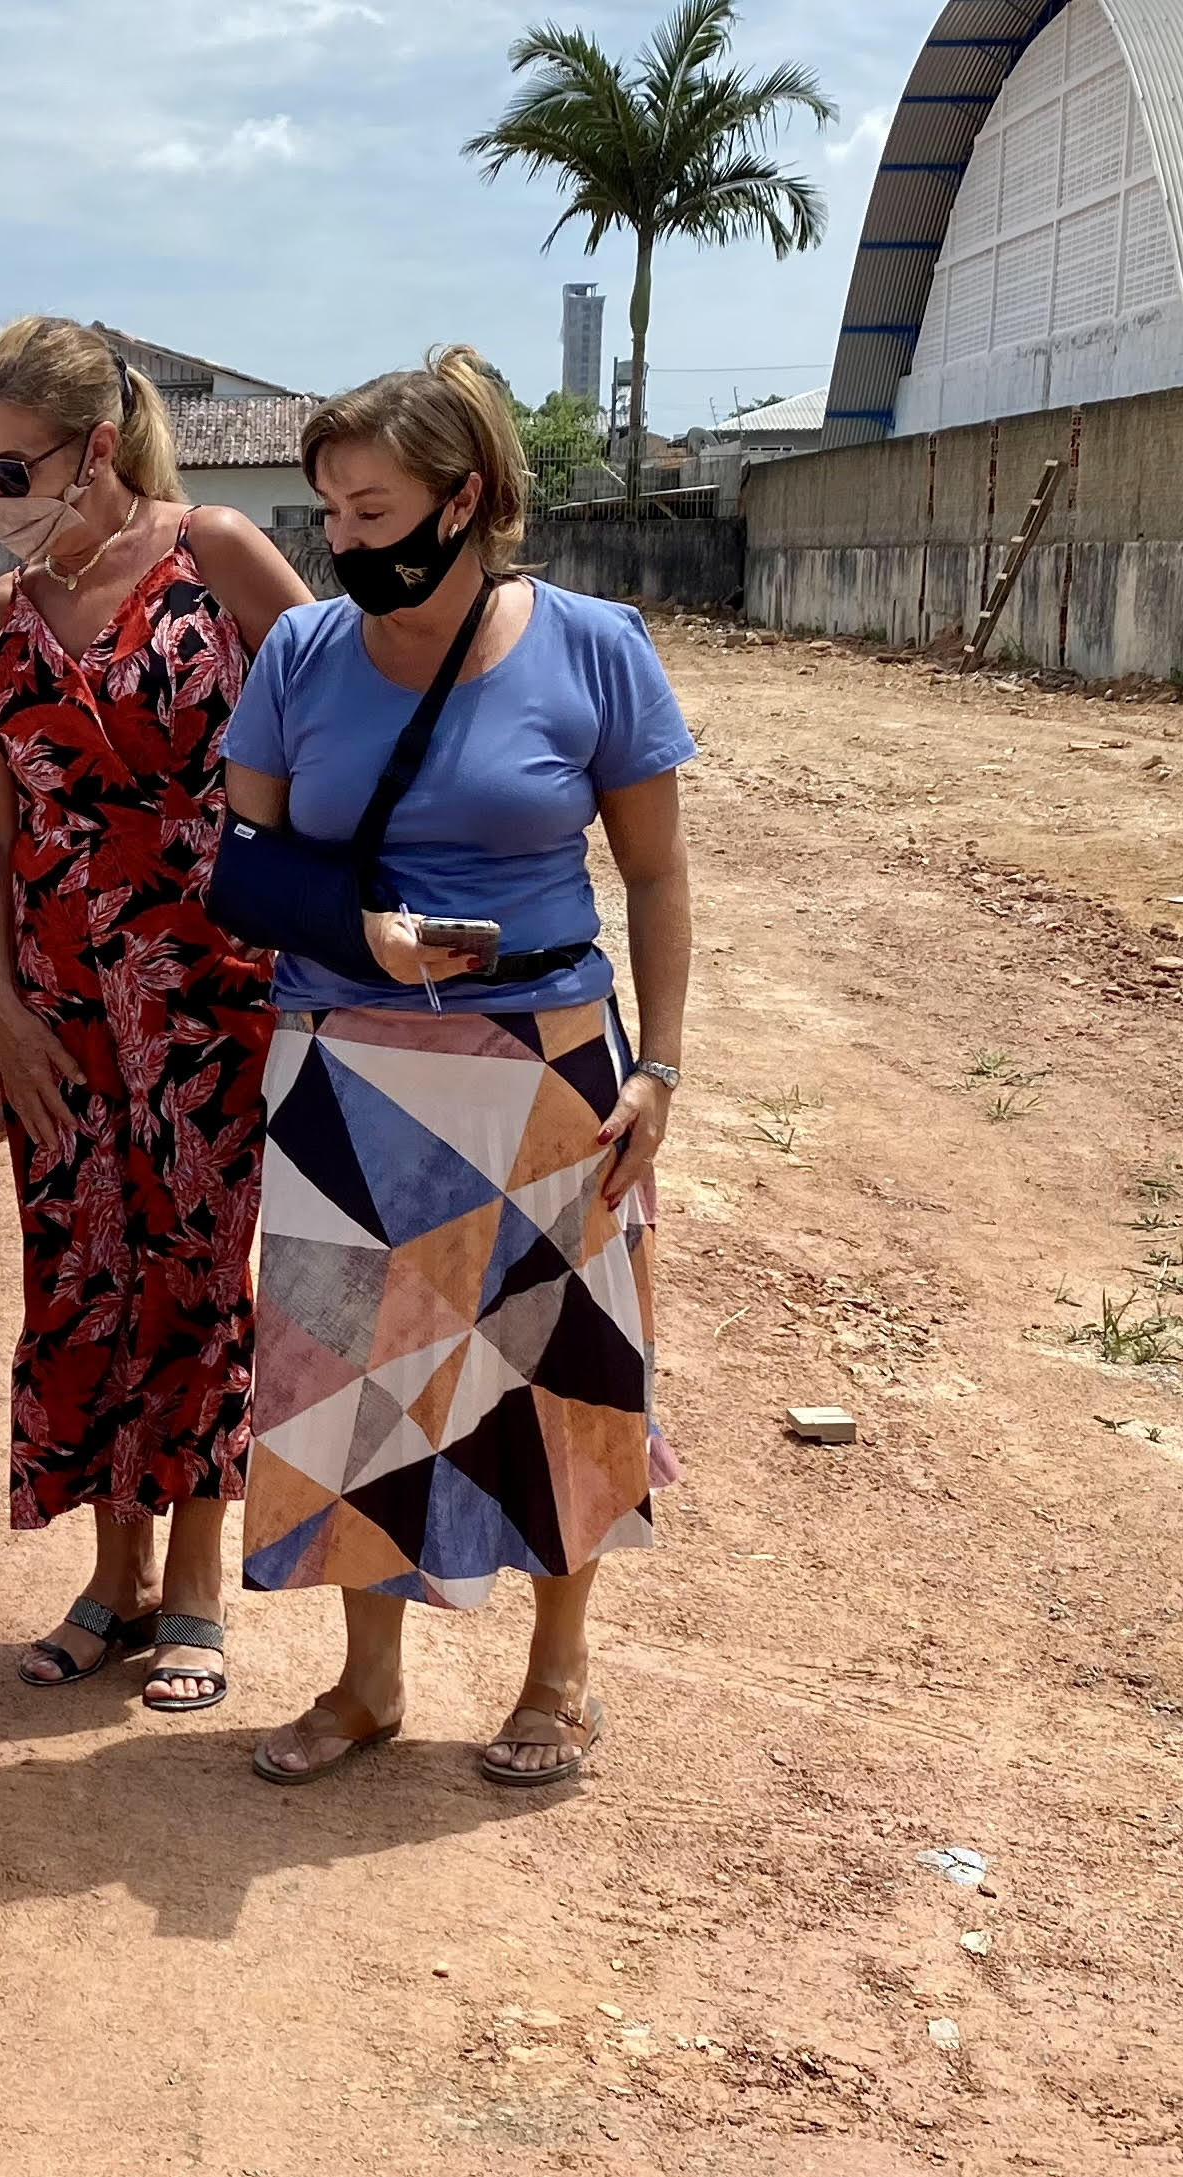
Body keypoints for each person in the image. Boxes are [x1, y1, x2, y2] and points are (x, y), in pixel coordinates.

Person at [225, 348, 698, 1790]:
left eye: (371, 511)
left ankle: (559, 1680)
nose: (344, 543)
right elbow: (240, 866)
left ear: (468, 497)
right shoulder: (300, 655)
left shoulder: (593, 645)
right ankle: (368, 1685)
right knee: (354, 1381)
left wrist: (661, 1071)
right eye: (331, 516)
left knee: (560, 1378)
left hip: (545, 1059)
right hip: (350, 1070)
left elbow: (658, 877)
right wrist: (356, 930)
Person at [0, 315, 312, 1714]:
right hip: (58, 1007)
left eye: (6, 468)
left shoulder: (212, 551)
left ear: (92, 449)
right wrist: (1, 1007)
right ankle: (111, 1579)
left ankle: (200, 1590)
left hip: (216, 988)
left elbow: (341, 713)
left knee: (203, 1275)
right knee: (83, 1271)